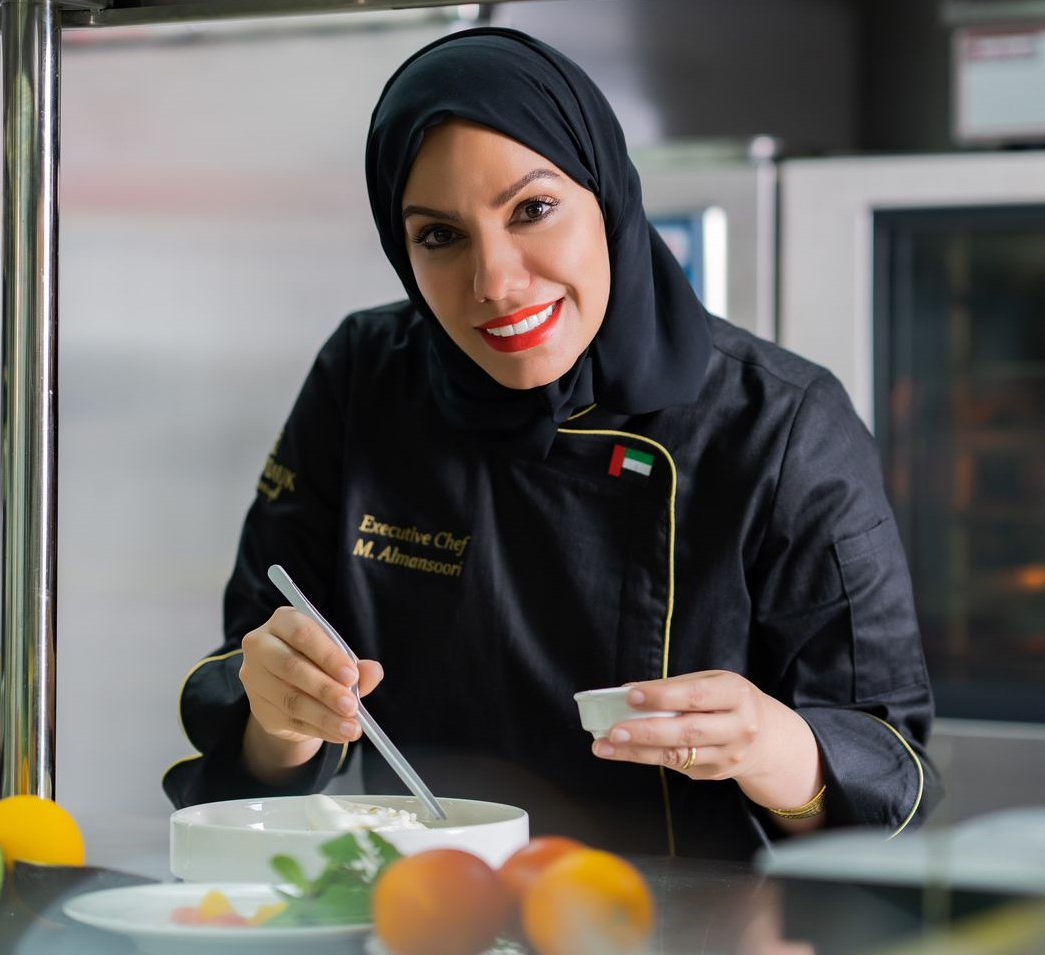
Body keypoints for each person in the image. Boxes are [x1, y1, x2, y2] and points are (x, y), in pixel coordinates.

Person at [164, 27, 938, 860]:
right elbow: (246, 689)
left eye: (532, 210)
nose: (494, 280)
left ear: (604, 197)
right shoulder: (364, 378)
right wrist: (282, 717)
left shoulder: (782, 425)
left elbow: (894, 781)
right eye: (440, 235)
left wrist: (772, 746)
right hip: (432, 916)